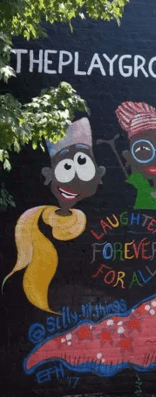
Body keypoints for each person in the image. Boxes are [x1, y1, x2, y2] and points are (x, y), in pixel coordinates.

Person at [2, 118, 105, 313]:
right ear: (49, 174)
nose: (74, 180)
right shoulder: (35, 223)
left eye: (83, 166)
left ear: (98, 174)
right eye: (66, 168)